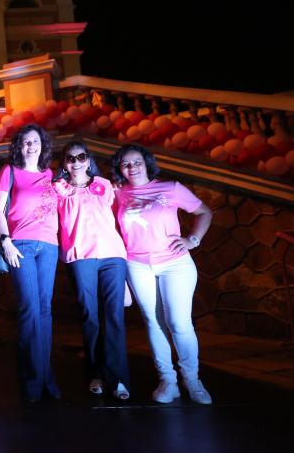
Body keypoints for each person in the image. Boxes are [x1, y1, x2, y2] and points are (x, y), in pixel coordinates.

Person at [111, 144, 214, 405]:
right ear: (119, 168)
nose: (131, 167)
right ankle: (168, 381)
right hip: (137, 264)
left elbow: (204, 212)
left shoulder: (171, 188)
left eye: (136, 162)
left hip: (174, 263)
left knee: (178, 322)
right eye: (125, 163)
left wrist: (192, 239)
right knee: (153, 321)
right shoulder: (118, 195)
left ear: (146, 163)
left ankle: (192, 380)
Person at [52, 141, 130, 400]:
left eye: (81, 157)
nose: (76, 162)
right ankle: (96, 373)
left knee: (114, 317)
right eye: (70, 158)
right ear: (64, 163)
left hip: (112, 255)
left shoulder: (104, 185)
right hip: (80, 255)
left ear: (88, 159)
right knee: (90, 315)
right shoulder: (58, 189)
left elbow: (120, 215)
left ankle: (118, 378)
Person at [0, 124, 61, 403]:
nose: (30, 146)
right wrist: (5, 241)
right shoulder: (10, 172)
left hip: (49, 246)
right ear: (18, 147)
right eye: (25, 142)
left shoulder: (51, 174)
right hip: (19, 244)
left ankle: (45, 375)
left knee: (45, 311)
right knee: (29, 309)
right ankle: (32, 379)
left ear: (43, 145)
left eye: (35, 141)